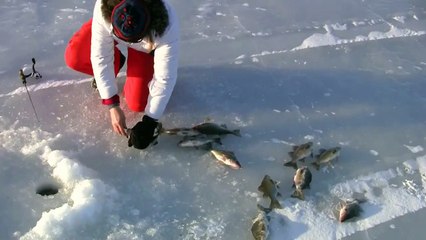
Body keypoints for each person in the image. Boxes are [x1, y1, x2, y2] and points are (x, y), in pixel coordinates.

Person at [64, 0, 179, 150]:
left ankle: (137, 54)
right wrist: (112, 103)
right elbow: (101, 57)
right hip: (112, 31)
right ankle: (116, 62)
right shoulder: (103, 7)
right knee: (75, 57)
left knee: (137, 103)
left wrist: (150, 121)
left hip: (146, 45)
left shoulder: (166, 25)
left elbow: (165, 77)